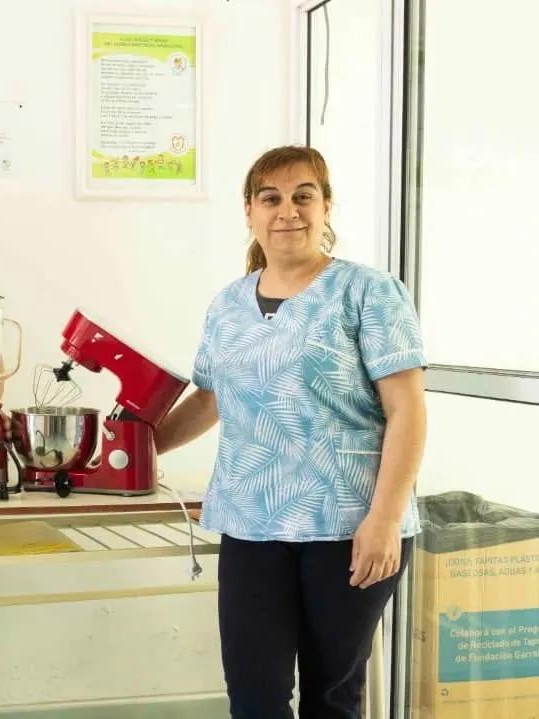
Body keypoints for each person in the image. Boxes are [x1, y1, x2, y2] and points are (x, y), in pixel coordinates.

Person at [155, 145, 427, 718]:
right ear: (249, 211)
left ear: (326, 207)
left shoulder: (369, 292)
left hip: (349, 523)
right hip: (251, 523)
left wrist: (383, 520)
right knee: (254, 697)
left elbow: (407, 410)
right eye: (270, 198)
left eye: (304, 196)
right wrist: (139, 449)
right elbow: (211, 398)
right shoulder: (228, 304)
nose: (288, 211)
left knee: (331, 697)